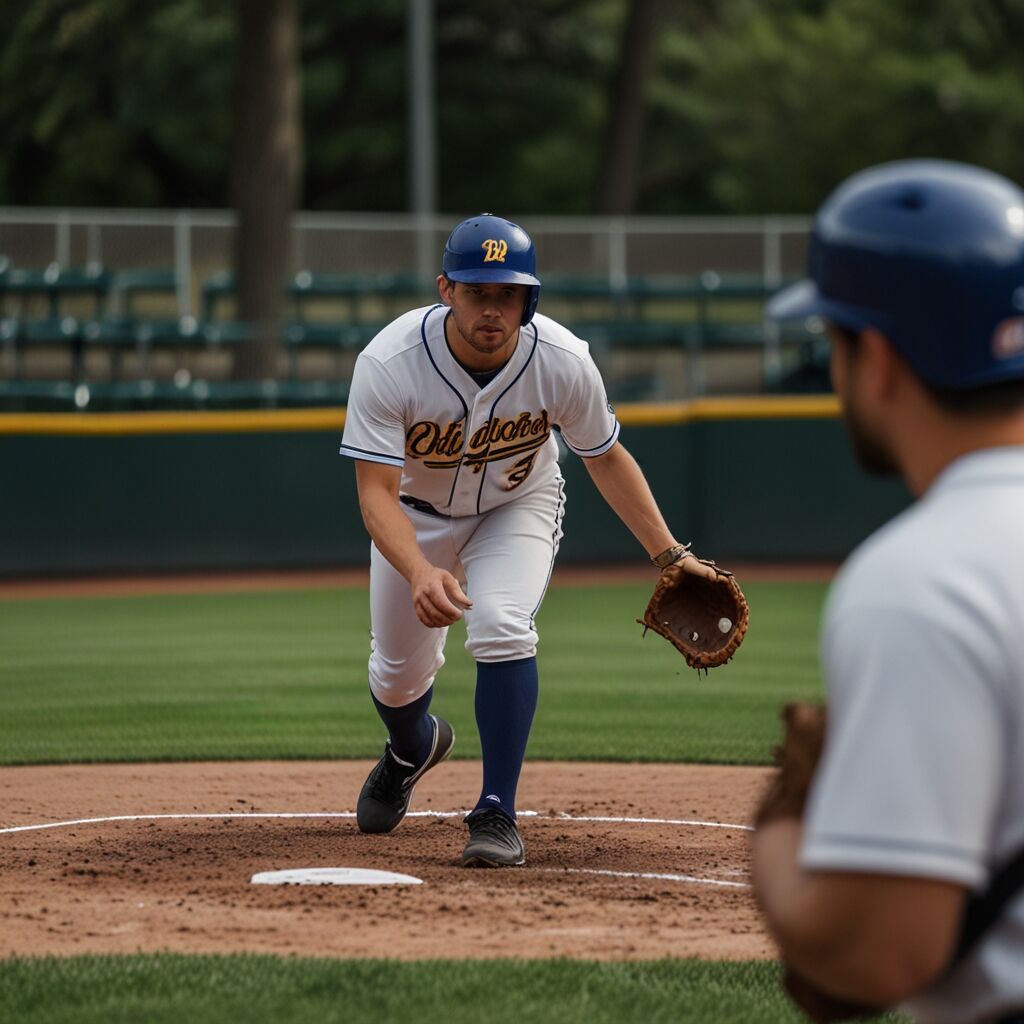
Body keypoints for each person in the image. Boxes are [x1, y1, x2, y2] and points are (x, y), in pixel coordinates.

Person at [339, 213, 714, 867]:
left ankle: (496, 812)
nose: (492, 308)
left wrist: (670, 553)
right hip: (414, 515)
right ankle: (411, 748)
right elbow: (374, 492)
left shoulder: (563, 362)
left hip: (517, 506)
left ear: (528, 298)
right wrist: (420, 571)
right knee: (398, 680)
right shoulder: (389, 362)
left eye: (507, 293)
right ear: (445, 290)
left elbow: (604, 454)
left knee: (504, 626)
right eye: (477, 291)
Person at [756, 159, 1024, 1022]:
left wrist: (777, 848)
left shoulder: (922, 578)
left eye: (831, 342)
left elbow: (879, 955)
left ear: (875, 358)